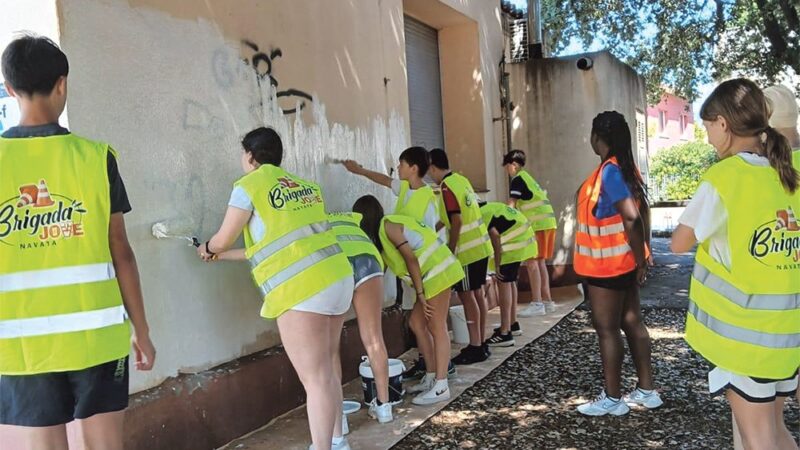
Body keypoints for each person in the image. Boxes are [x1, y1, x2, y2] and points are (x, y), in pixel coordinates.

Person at [0, 35, 156, 450]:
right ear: (62, 84)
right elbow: (121, 251)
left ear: (10, 89)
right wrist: (141, 329)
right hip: (98, 340)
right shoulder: (95, 157)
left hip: (21, 347)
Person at [196, 127, 354, 450]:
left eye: (243, 154)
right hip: (338, 279)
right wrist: (221, 256)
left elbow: (224, 236)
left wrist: (209, 247)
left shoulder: (249, 186)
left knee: (315, 379)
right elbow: (270, 247)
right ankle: (337, 441)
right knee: (325, 369)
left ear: (250, 156)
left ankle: (322, 447)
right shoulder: (305, 187)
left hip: (303, 290)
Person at [672, 79, 799, 450]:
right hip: (786, 336)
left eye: (708, 126)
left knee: (757, 439)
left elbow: (679, 243)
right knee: (775, 431)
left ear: (724, 125)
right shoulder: (784, 172)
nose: (708, 137)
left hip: (744, 340)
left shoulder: (725, 178)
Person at [574, 111, 661, 416]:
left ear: (598, 138)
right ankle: (647, 390)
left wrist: (640, 261)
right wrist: (641, 258)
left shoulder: (609, 173)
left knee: (606, 328)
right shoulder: (625, 169)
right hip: (622, 262)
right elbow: (643, 214)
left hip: (606, 266)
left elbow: (632, 217)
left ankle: (613, 398)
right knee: (632, 321)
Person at [342, 148, 453, 381]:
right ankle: (431, 371)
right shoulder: (404, 189)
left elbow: (427, 239)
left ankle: (441, 375)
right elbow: (383, 179)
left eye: (401, 164)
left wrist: (421, 288)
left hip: (429, 270)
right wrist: (358, 170)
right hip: (416, 274)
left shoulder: (427, 199)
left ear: (413, 168)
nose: (398, 168)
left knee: (435, 325)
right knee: (417, 322)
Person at [353, 195, 464, 406]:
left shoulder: (389, 226)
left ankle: (441, 385)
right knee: (416, 323)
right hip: (431, 275)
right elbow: (380, 272)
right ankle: (431, 376)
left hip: (439, 272)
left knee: (436, 325)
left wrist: (420, 296)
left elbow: (411, 259)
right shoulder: (381, 239)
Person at [427, 148, 493, 364]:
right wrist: (432, 229)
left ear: (433, 167)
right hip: (481, 247)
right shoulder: (461, 180)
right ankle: (481, 343)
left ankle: (475, 345)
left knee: (467, 297)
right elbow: (453, 216)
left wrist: (450, 250)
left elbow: (456, 220)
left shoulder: (446, 187)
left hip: (465, 251)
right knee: (477, 294)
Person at [327, 211, 393, 423]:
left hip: (336, 264)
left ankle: (339, 420)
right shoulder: (353, 220)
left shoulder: (317, 220)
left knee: (330, 347)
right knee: (374, 339)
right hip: (369, 261)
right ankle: (384, 407)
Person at [502, 150, 557, 317]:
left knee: (532, 263)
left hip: (537, 224)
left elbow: (511, 206)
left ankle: (537, 303)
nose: (507, 171)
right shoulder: (529, 178)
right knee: (540, 263)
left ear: (513, 165)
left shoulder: (518, 180)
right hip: (548, 223)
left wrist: (504, 224)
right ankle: (546, 302)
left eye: (506, 167)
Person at [479, 202, 539, 347]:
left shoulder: (482, 214)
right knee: (510, 282)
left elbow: (495, 236)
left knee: (504, 282)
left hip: (513, 245)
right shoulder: (491, 207)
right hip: (522, 241)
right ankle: (512, 324)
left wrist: (498, 264)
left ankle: (505, 333)